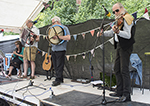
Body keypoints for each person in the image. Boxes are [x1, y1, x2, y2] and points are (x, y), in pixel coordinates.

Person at [97, 3, 135, 102]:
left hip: (126, 47)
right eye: (114, 12)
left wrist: (118, 32)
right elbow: (111, 32)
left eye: (117, 10)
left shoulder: (127, 18)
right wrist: (102, 33)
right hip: (119, 46)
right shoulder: (118, 20)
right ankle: (119, 91)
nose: (115, 13)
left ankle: (127, 95)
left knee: (124, 70)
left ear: (122, 8)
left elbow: (128, 35)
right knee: (117, 69)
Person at [39, 16, 70, 86]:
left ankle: (58, 79)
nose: (52, 24)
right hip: (54, 49)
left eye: (53, 23)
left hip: (61, 49)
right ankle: (60, 78)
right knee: (55, 65)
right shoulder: (52, 29)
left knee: (59, 65)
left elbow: (68, 37)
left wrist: (58, 37)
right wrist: (49, 38)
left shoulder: (64, 28)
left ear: (57, 22)